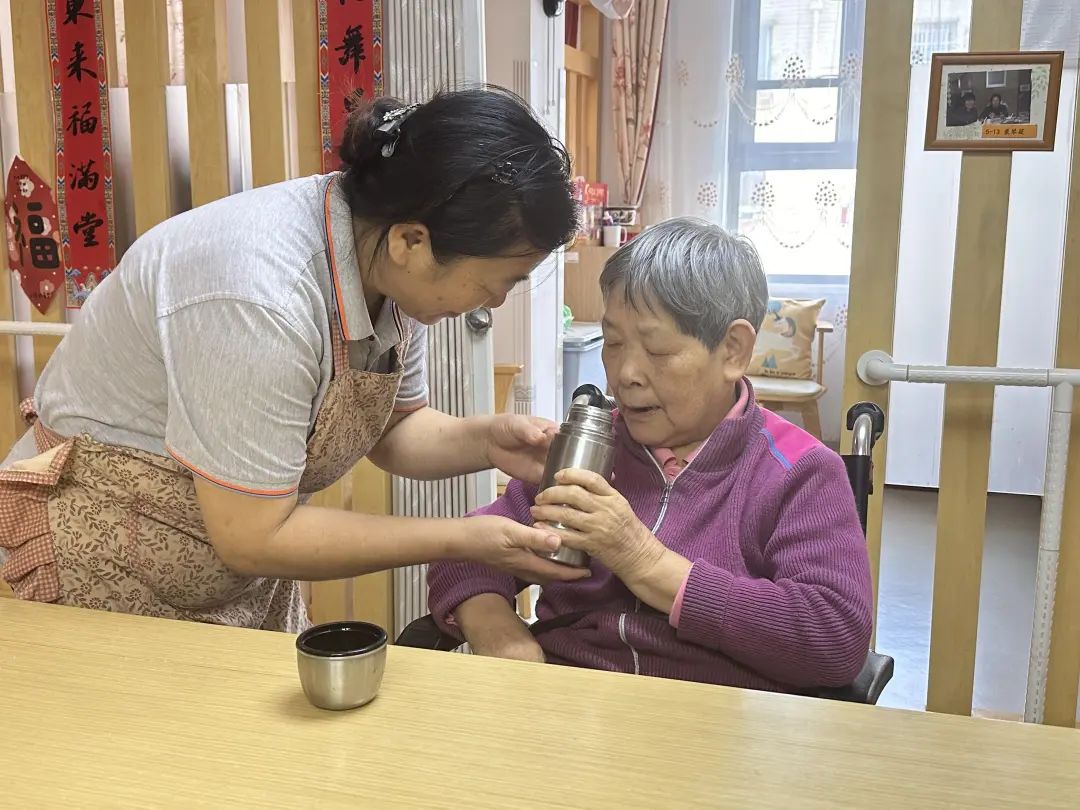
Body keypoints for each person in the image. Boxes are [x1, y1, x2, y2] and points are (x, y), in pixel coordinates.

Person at [0, 86, 588, 630]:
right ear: (413, 241)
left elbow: (393, 430)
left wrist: (488, 441)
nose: (496, 301)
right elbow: (254, 535)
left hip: (232, 574)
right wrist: (465, 539)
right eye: (499, 280)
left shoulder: (389, 267)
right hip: (98, 568)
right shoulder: (260, 293)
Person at [427, 218, 873, 692]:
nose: (626, 374)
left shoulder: (799, 472)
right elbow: (462, 557)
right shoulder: (591, 452)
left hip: (718, 730)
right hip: (571, 711)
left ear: (733, 350)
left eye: (657, 349)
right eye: (614, 343)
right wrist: (502, 636)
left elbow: (834, 640)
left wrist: (641, 559)